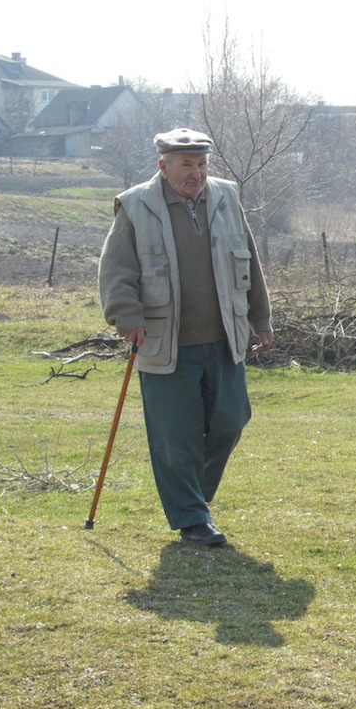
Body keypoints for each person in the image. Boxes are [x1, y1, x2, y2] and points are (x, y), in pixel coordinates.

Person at [98, 128, 273, 546]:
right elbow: (116, 270)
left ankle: (192, 501)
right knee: (176, 435)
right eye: (185, 165)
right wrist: (126, 317)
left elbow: (249, 260)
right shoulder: (137, 205)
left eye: (201, 164)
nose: (195, 174)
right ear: (163, 166)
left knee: (231, 420)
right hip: (163, 339)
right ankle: (192, 517)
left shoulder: (227, 197)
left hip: (224, 336)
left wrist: (260, 318)